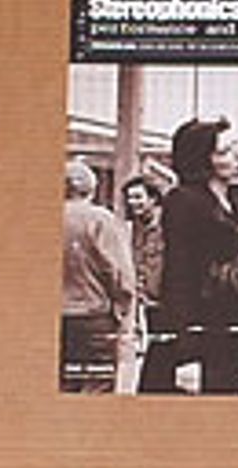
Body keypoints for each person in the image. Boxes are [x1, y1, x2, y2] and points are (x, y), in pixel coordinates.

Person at [159, 118, 238, 394]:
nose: (235, 156)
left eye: (233, 148)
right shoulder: (184, 201)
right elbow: (179, 274)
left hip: (226, 326)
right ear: (203, 160)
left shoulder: (232, 200)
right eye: (223, 151)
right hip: (199, 328)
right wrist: (186, 352)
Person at [60, 161, 136, 393]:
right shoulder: (100, 220)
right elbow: (120, 273)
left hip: (55, 318)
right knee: (96, 388)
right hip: (93, 319)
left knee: (62, 386)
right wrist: (125, 313)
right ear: (92, 189)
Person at [122, 175, 178, 394]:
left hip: (167, 297)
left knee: (164, 346)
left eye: (138, 197)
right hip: (149, 298)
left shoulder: (168, 225)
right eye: (129, 198)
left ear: (153, 199)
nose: (132, 203)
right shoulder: (137, 227)